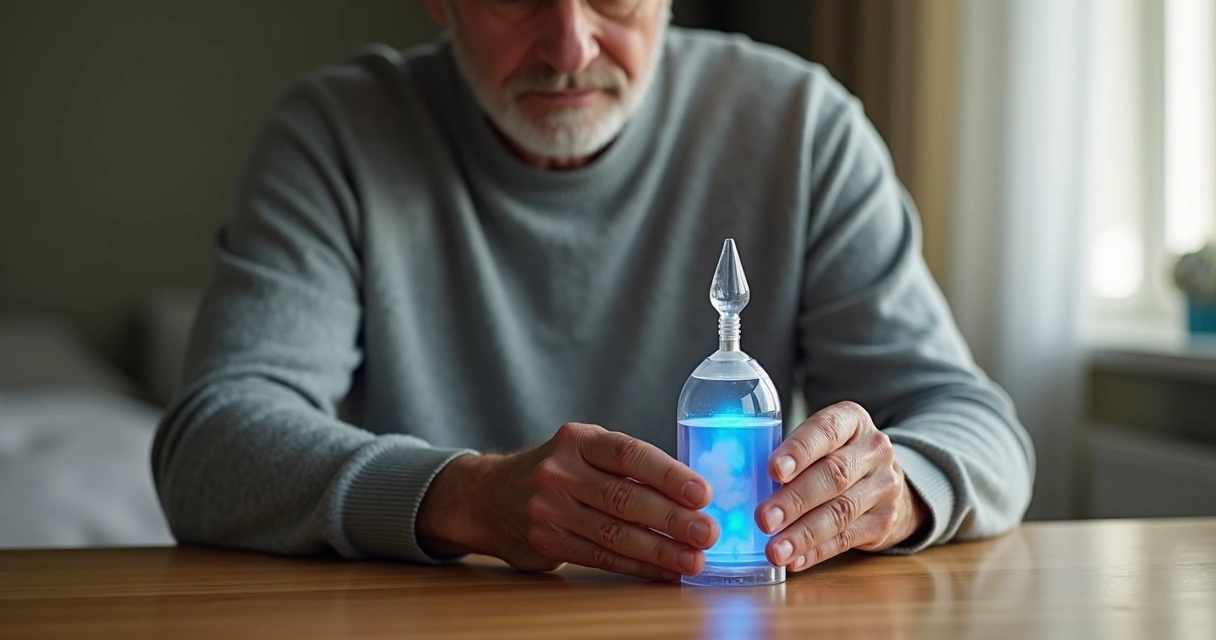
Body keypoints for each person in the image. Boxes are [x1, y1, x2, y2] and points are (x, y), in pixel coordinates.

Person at [152, 0, 1034, 583]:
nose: (571, 45)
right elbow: (212, 440)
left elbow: (978, 426)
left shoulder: (802, 128)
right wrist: (465, 496)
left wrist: (888, 489)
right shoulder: (338, 138)